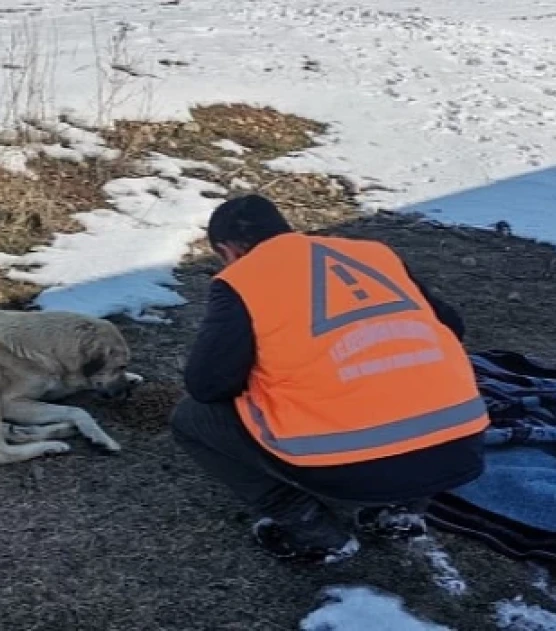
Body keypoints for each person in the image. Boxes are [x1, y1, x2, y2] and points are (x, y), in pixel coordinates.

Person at [171, 194, 488, 565]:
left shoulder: (242, 278)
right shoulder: (375, 254)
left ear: (228, 250)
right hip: (458, 450)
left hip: (347, 467)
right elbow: (452, 325)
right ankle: (400, 511)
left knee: (191, 419)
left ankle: (313, 531)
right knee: (406, 392)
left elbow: (207, 384)